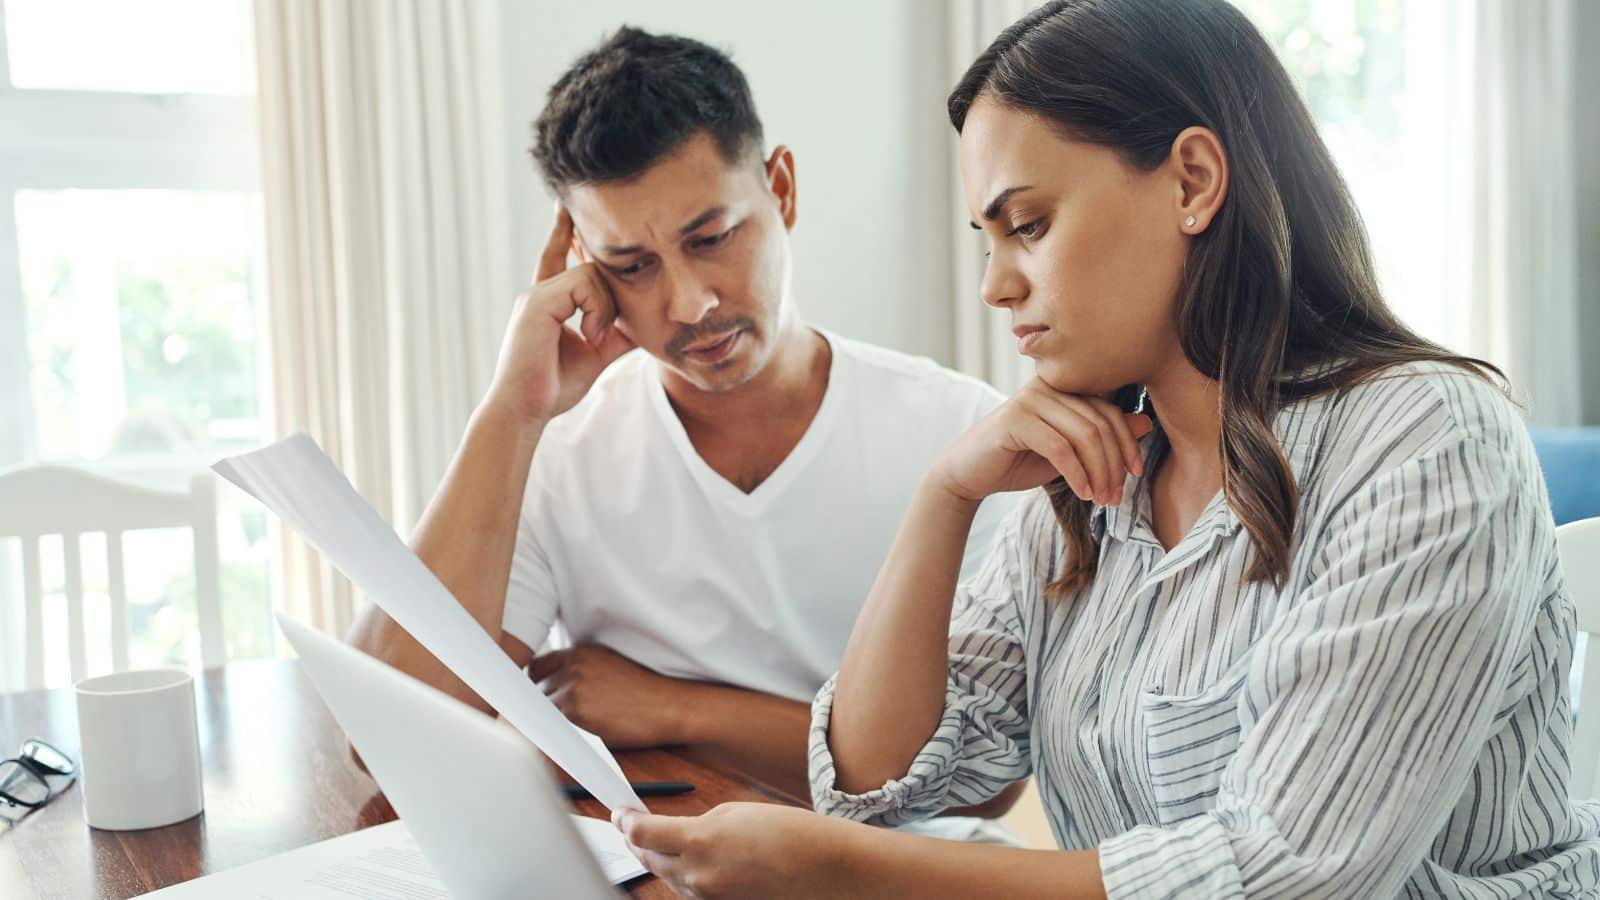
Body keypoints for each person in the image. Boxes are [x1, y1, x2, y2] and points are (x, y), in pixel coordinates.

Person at [611, 1, 1600, 896]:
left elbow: (1289, 874)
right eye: (986, 240)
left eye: (1028, 225)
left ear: (1193, 182)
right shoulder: (1093, 480)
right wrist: (944, 497)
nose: (997, 285)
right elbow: (875, 782)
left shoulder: (1427, 441)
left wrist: (847, 871)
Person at [346, 26, 1019, 822]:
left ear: (783, 191)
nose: (691, 303)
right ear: (582, 263)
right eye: (631, 266)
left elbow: (985, 780)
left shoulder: (954, 430)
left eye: (712, 238)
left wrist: (673, 708)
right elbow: (389, 732)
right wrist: (512, 410)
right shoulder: (557, 449)